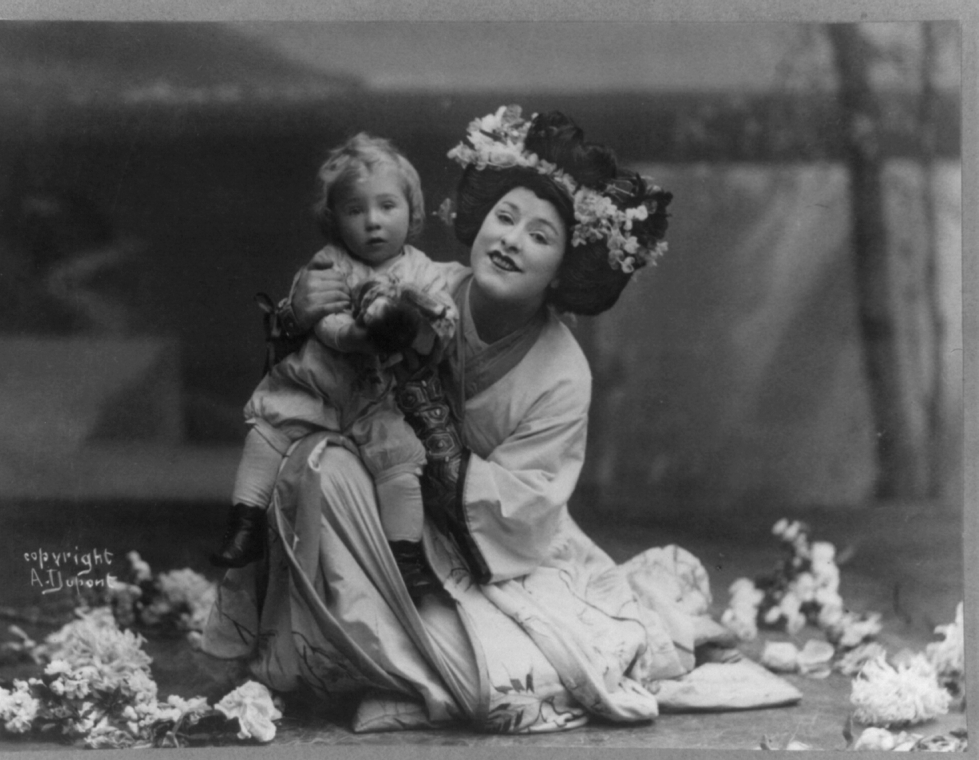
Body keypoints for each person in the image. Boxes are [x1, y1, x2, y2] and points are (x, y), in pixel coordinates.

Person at [202, 106, 801, 733]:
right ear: (478, 224)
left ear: (564, 269)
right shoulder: (428, 284)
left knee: (506, 677)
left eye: (540, 237)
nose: (512, 241)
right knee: (314, 464)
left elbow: (523, 511)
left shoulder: (563, 376)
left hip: (487, 552)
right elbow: (321, 372)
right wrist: (301, 312)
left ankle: (410, 675)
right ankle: (360, 659)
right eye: (505, 219)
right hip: (388, 504)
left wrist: (437, 445)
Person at [210, 133, 458, 602]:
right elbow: (326, 324)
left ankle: (407, 560)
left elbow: (441, 317)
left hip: (374, 399)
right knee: (266, 433)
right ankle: (245, 523)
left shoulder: (422, 271)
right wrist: (359, 335)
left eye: (387, 206)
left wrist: (420, 321)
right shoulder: (330, 263)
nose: (373, 223)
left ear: (412, 210)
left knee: (401, 464)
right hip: (316, 385)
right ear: (335, 219)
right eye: (355, 210)